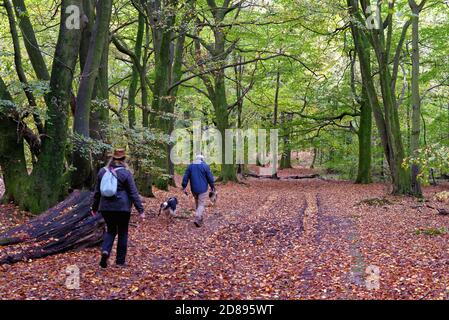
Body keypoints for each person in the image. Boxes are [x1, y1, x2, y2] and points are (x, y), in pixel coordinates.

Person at [91, 148, 145, 268]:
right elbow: (133, 193)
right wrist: (140, 210)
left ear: (112, 158)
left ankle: (105, 251)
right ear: (124, 159)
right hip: (123, 208)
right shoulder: (126, 173)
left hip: (106, 208)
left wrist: (94, 208)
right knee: (123, 232)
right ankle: (120, 262)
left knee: (110, 230)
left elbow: (97, 193)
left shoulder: (102, 172)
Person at [182, 154, 215, 227]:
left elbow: (186, 176)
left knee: (197, 202)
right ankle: (197, 217)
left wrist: (184, 186)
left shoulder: (190, 166)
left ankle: (199, 218)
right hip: (203, 189)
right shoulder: (205, 166)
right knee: (201, 203)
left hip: (194, 189)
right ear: (202, 159)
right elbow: (210, 177)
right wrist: (212, 186)